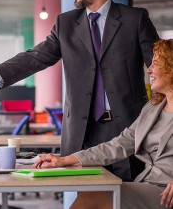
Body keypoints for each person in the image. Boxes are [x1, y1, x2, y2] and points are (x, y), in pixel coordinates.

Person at [0, 0, 159, 181]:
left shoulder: (134, 19)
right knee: (88, 197)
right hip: (82, 131)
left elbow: (162, 66)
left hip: (128, 128)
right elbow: (36, 57)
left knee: (127, 195)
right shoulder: (66, 23)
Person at [34, 38, 173, 209]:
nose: (149, 70)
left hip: (166, 192)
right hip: (146, 183)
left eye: (156, 64)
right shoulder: (152, 108)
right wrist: (65, 160)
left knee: (96, 195)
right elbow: (119, 144)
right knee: (93, 192)